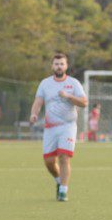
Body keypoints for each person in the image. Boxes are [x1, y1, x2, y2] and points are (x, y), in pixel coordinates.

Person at [29, 53, 87, 201]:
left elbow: (84, 102)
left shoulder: (73, 83)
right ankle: (58, 180)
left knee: (64, 157)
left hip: (68, 126)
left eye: (62, 64)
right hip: (50, 127)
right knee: (49, 162)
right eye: (56, 64)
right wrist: (34, 114)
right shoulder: (45, 83)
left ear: (66, 66)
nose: (59, 66)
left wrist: (69, 96)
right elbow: (38, 101)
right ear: (52, 66)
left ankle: (63, 191)